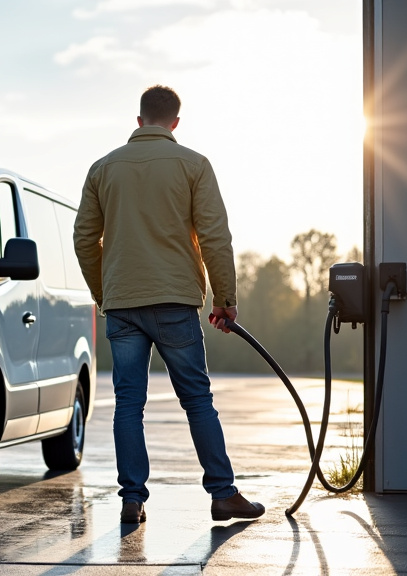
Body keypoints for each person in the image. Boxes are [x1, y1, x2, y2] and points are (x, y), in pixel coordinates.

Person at [73, 85, 265, 525]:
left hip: (122, 303)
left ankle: (131, 499)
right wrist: (225, 300)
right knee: (197, 400)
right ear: (175, 122)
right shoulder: (193, 165)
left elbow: (85, 239)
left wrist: (107, 293)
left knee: (127, 404)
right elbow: (215, 236)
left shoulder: (103, 168)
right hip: (175, 301)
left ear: (138, 120)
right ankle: (222, 494)